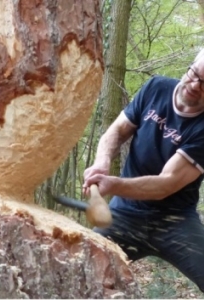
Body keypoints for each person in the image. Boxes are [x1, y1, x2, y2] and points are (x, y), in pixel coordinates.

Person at [83, 49, 204, 292]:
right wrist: (102, 162)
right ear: (190, 66)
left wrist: (113, 184)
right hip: (124, 214)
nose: (195, 84)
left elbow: (165, 184)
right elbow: (116, 131)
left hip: (175, 220)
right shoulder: (155, 88)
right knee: (83, 274)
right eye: (195, 74)